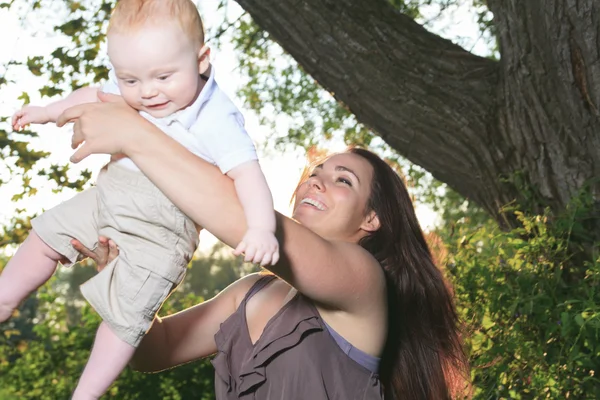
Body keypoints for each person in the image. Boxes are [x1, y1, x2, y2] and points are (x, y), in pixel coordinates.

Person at [60, 92, 470, 399]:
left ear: (371, 219)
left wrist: (136, 134)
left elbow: (238, 218)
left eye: (343, 180)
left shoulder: (364, 279)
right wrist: (120, 279)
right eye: (316, 172)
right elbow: (155, 350)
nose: (316, 181)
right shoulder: (249, 292)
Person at [0, 0, 277, 398]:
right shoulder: (137, 86)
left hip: (164, 228)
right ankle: (5, 298)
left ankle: (85, 394)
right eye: (129, 80)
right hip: (109, 195)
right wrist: (48, 111)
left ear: (201, 60)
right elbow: (91, 95)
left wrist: (262, 227)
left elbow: (247, 172)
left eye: (163, 76)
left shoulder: (215, 114)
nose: (146, 92)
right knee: (46, 234)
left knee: (126, 316)